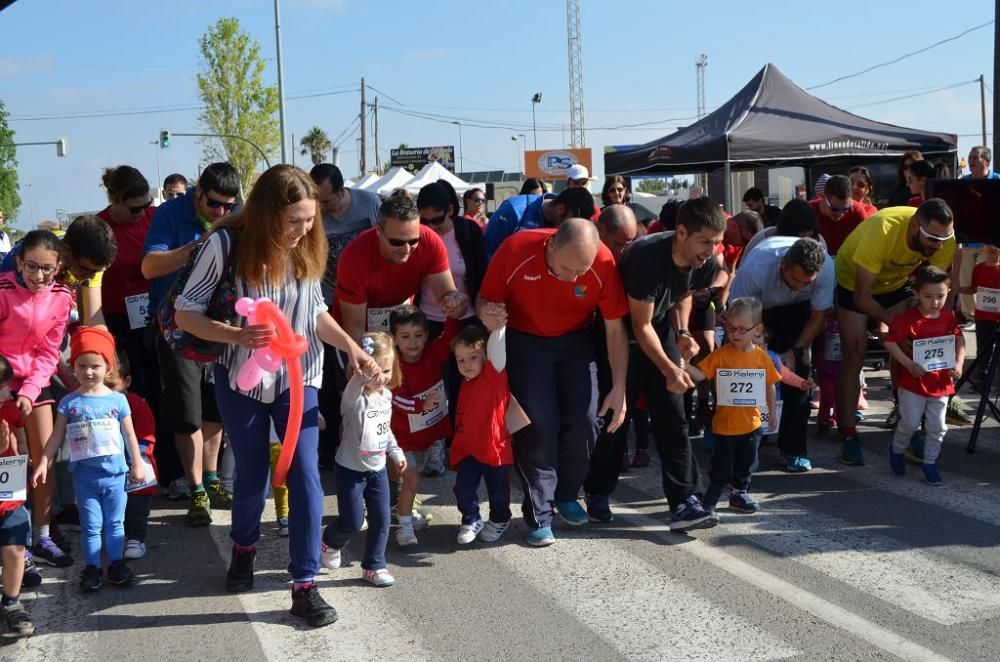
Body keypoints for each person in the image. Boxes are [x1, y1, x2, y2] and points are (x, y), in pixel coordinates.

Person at [174, 164, 375, 627]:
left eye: (310, 220)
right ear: (265, 214)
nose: (303, 230)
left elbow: (315, 311)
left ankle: (304, 585)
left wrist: (349, 347)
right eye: (293, 221)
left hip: (301, 377)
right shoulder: (225, 245)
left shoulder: (307, 247)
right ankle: (243, 547)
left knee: (305, 474)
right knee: (252, 475)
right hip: (241, 378)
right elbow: (186, 313)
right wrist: (236, 335)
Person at [478, 219, 629, 546]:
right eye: (566, 269)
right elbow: (484, 301)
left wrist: (619, 388)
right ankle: (539, 514)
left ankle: (566, 494)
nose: (574, 278)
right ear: (550, 246)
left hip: (576, 341)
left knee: (587, 419)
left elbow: (616, 329)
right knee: (539, 426)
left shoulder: (602, 261)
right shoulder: (516, 249)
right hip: (526, 341)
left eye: (581, 271)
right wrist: (487, 315)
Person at [618, 196, 727, 532]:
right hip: (618, 330)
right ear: (681, 232)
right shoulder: (647, 257)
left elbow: (684, 294)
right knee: (616, 418)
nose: (711, 250)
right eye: (705, 241)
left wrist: (682, 332)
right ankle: (595, 492)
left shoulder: (705, 261)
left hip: (659, 325)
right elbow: (639, 327)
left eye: (717, 242)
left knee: (673, 414)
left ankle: (684, 500)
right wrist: (671, 368)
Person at [144, 163, 240, 521]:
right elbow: (149, 268)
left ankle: (212, 478)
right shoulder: (169, 213)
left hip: (220, 322)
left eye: (229, 207)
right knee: (188, 413)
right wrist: (202, 245)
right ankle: (196, 488)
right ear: (197, 192)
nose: (221, 213)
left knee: (217, 408)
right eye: (214, 204)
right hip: (177, 326)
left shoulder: (236, 215)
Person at [833, 199, 957, 465]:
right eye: (933, 238)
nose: (938, 245)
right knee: (855, 355)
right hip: (854, 283)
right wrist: (892, 323)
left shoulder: (944, 238)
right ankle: (848, 433)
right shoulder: (883, 229)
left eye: (943, 239)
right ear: (916, 225)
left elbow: (939, 285)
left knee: (908, 345)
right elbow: (862, 297)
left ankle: (907, 420)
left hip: (895, 284)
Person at [32, 327, 144, 592]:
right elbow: (56, 436)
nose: (88, 372)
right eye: (82, 366)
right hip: (85, 478)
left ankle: (116, 564)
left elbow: (129, 434)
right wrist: (42, 462)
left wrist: (137, 463)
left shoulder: (118, 400)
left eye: (95, 366)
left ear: (108, 367)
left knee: (116, 524)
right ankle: (92, 567)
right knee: (91, 526)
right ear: (73, 367)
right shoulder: (69, 403)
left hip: (115, 476)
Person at [0, 230, 75, 567]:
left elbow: (49, 352)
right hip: (2, 383)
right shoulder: (2, 290)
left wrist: (30, 391)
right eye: (31, 267)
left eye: (48, 268)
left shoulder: (62, 296)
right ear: (18, 262)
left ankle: (42, 535)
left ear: (59, 267)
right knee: (11, 461)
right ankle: (15, 541)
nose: (39, 276)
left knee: (45, 456)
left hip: (35, 382)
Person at [730, 237, 832, 471]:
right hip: (756, 310)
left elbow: (818, 317)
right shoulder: (756, 268)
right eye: (796, 280)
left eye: (808, 282)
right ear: (783, 265)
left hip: (799, 311)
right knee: (748, 371)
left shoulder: (825, 269)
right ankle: (740, 440)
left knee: (801, 370)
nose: (800, 286)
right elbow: (738, 318)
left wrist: (794, 352)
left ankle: (793, 448)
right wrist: (756, 349)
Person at [310, 163, 383, 470]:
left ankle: (365, 442)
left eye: (325, 201)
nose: (321, 208)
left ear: (342, 191)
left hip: (365, 305)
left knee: (364, 374)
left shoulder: (370, 203)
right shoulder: (313, 216)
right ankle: (329, 449)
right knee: (326, 380)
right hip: (325, 308)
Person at [320, 331, 406, 588]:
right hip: (350, 469)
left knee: (381, 518)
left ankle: (374, 565)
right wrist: (363, 369)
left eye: (387, 371)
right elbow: (359, 380)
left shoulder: (386, 396)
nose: (381, 377)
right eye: (374, 370)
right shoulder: (353, 396)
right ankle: (330, 541)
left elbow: (385, 429)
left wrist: (396, 452)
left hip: (377, 469)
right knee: (354, 520)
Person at [685, 298, 781, 515]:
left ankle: (739, 493)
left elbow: (770, 385)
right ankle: (710, 501)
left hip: (752, 425)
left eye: (741, 329)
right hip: (724, 427)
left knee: (748, 463)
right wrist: (685, 365)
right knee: (721, 467)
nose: (734, 334)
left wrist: (772, 413)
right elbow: (701, 374)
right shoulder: (720, 355)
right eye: (729, 328)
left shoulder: (761, 357)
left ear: (757, 330)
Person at [583, 205, 642, 521]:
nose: (624, 250)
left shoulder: (632, 259)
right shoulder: (577, 246)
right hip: (576, 343)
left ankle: (598, 491)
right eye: (619, 243)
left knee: (615, 418)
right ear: (599, 230)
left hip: (618, 345)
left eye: (629, 242)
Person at [883, 266, 964, 485]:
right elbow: (889, 343)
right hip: (912, 383)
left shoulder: (948, 317)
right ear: (917, 294)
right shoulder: (908, 319)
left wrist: (958, 364)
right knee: (910, 423)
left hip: (940, 383)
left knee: (938, 426)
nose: (935, 302)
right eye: (928, 296)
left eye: (940, 296)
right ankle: (897, 449)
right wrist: (908, 364)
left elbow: (959, 340)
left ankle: (930, 463)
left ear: (948, 293)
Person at [387, 305, 459, 546]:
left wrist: (451, 312)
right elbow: (396, 398)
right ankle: (405, 528)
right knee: (412, 478)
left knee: (411, 479)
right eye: (405, 336)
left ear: (426, 335)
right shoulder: (394, 364)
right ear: (394, 339)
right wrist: (421, 406)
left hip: (428, 434)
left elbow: (449, 337)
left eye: (418, 335)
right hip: (401, 437)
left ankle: (396, 508)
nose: (413, 342)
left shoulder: (433, 353)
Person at [97, 166, 159, 408]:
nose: (142, 212)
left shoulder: (154, 218)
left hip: (155, 316)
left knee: (161, 386)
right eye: (135, 208)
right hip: (120, 323)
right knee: (133, 386)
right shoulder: (101, 227)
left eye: (147, 204)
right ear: (115, 201)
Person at [450, 324, 514, 543]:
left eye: (473, 357)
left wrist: (498, 326)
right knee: (462, 488)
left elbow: (497, 345)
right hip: (469, 450)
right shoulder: (466, 382)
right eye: (461, 360)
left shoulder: (493, 375)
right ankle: (471, 519)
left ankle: (500, 519)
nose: (466, 365)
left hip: (494, 449)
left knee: (498, 493)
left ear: (486, 358)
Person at [2, 214, 117, 328]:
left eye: (97, 272)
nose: (92, 277)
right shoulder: (31, 258)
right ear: (66, 250)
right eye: (85, 271)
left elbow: (93, 318)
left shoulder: (91, 264)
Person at [105, 351, 158, 561]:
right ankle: (120, 537)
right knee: (115, 506)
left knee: (136, 507)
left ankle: (136, 538)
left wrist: (136, 457)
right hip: (111, 466)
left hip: (136, 466)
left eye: (111, 387)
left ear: (127, 381)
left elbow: (147, 434)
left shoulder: (135, 402)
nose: (106, 392)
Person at [0, 354, 35, 638]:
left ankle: (11, 602)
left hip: (9, 493)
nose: (6, 393)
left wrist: (23, 452)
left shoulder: (9, 409)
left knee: (14, 548)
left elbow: (21, 438)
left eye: (6, 387)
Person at [484, 186, 596, 258]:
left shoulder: (569, 209)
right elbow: (488, 253)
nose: (573, 230)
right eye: (572, 223)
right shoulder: (513, 211)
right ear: (560, 209)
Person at [961, 243, 1000, 386]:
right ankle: (981, 377)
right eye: (991, 245)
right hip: (983, 317)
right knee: (983, 348)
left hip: (998, 318)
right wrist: (957, 289)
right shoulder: (979, 268)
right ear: (984, 247)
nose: (995, 248)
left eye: (998, 245)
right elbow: (973, 288)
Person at [740, 198, 825, 259]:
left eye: (809, 231)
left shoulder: (819, 241)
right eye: (801, 234)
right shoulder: (761, 241)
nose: (806, 238)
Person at [808, 174, 872, 255]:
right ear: (823, 197)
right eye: (835, 208)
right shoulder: (809, 211)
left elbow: (866, 246)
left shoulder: (858, 212)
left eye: (846, 209)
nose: (840, 214)